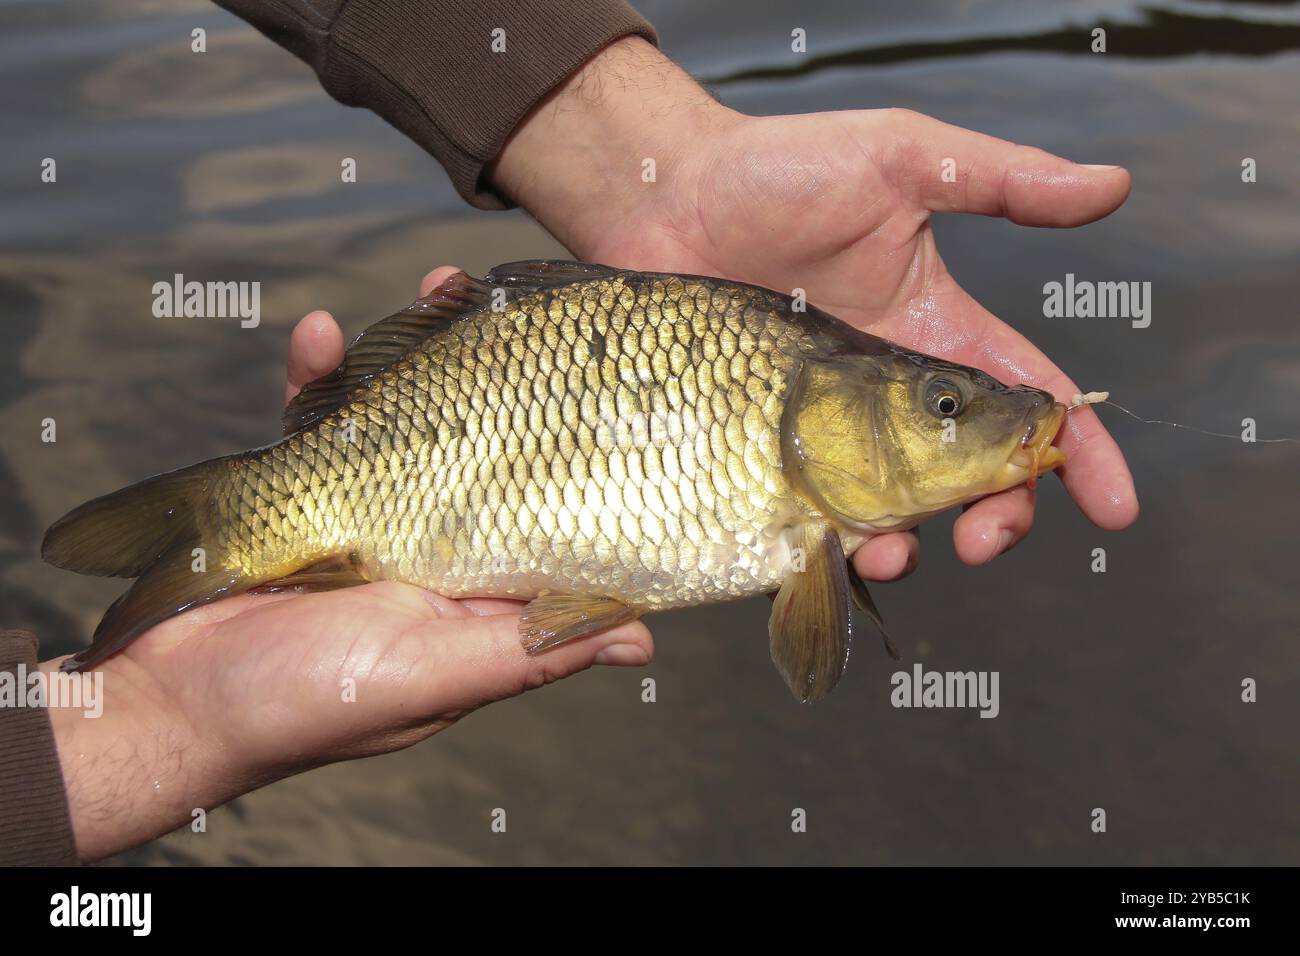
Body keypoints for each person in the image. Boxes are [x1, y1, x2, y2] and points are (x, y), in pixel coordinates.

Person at [0, 1, 1137, 864]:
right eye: (943, 407)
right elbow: (808, 657)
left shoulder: (803, 449)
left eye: (947, 408)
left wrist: (165, 729)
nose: (965, 418)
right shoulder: (795, 463)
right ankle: (219, 534)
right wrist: (161, 726)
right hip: (403, 470)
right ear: (827, 412)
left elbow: (807, 648)